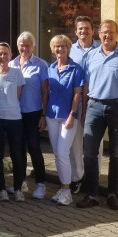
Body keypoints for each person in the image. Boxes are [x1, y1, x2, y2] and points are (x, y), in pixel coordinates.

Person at [77, 19, 118, 210]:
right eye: (104, 32)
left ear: (116, 34)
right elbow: (86, 85)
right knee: (89, 152)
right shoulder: (91, 55)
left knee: (116, 153)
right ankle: (91, 194)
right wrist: (84, 110)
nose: (108, 35)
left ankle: (113, 194)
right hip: (94, 107)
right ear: (99, 34)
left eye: (111, 32)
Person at [0, 42, 26, 202]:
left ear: (10, 55)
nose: (3, 56)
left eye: (5, 53)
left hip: (14, 119)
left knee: (17, 155)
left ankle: (18, 188)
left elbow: (18, 95)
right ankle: (1, 189)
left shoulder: (17, 73)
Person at [45, 35, 85, 206]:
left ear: (68, 48)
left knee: (62, 152)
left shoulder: (76, 69)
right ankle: (62, 188)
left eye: (63, 46)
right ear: (53, 50)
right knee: (57, 153)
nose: (60, 49)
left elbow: (77, 94)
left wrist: (72, 115)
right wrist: (43, 115)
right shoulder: (50, 68)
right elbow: (46, 92)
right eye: (57, 46)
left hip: (68, 117)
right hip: (51, 115)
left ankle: (67, 192)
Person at [9, 31, 49, 199]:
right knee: (18, 150)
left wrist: (44, 114)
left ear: (33, 46)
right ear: (17, 46)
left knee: (34, 148)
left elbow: (45, 91)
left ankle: (41, 184)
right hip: (15, 114)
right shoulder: (11, 64)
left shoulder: (41, 65)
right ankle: (20, 182)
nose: (24, 48)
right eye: (22, 45)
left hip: (33, 113)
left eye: (28, 45)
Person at [68, 16, 103, 194]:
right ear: (76, 32)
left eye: (87, 28)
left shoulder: (101, 49)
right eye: (80, 28)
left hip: (95, 100)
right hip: (75, 101)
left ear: (93, 31)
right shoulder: (70, 50)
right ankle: (76, 177)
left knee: (94, 141)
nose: (84, 31)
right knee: (74, 141)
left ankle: (93, 178)